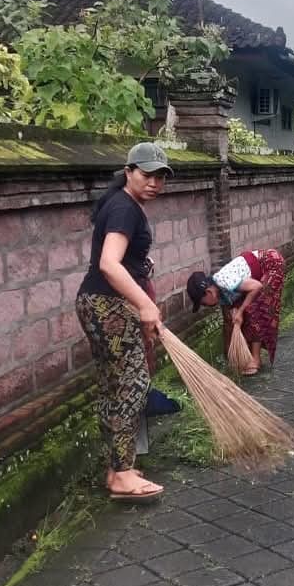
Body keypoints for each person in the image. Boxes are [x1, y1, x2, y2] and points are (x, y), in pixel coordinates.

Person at [76, 142, 173, 501]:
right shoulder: (124, 208)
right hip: (107, 305)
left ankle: (118, 467)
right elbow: (109, 264)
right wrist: (146, 305)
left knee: (113, 386)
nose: (154, 183)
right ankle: (121, 475)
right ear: (129, 171)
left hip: (98, 303)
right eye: (147, 175)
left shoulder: (122, 203)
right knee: (132, 385)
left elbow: (119, 262)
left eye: (160, 177)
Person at [186, 249, 286, 375]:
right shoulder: (220, 293)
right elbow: (228, 324)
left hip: (272, 263)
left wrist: (240, 311)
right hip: (256, 274)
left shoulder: (226, 282)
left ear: (209, 292)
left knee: (255, 309)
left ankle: (256, 360)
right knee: (240, 314)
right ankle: (247, 356)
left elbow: (257, 286)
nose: (205, 306)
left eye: (203, 303)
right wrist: (229, 355)